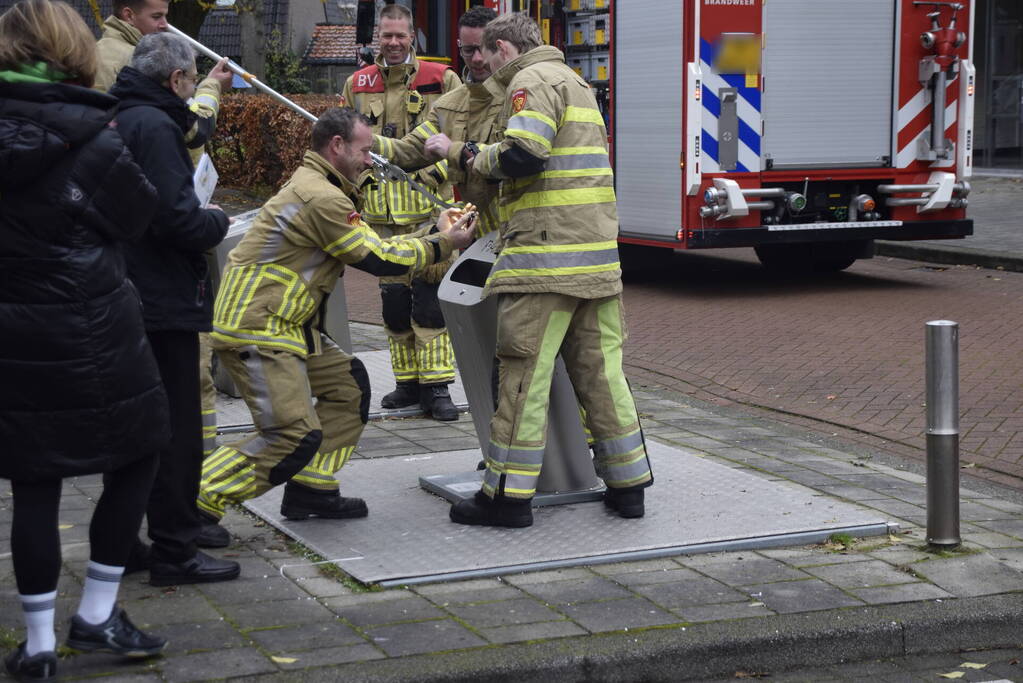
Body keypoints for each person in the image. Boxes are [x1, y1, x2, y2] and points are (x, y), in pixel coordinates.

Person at [195, 107, 476, 534]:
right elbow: (376, 257)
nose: (370, 160)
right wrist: (444, 243)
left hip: (287, 322)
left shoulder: (324, 185)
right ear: (337, 146)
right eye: (364, 150)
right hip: (259, 325)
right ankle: (197, 503)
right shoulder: (320, 196)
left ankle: (313, 487)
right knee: (290, 434)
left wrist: (436, 233)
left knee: (348, 389)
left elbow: (369, 242)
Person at [0, 1, 171, 677]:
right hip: (96, 333)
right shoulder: (95, 137)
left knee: (34, 483)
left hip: (12, 338)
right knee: (139, 453)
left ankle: (38, 645)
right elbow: (136, 216)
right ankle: (97, 615)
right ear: (74, 52)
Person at [450, 12, 654, 529]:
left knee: (523, 375)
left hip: (544, 261)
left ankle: (506, 497)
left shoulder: (530, 81)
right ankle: (628, 486)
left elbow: (524, 154)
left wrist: (473, 157)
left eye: (484, 54)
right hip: (596, 259)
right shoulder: (577, 83)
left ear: (502, 48)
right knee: (602, 374)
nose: (481, 65)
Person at [109, 32, 237, 586]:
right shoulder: (157, 126)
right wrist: (217, 219)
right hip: (163, 297)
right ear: (176, 79)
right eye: (189, 82)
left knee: (133, 425)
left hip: (122, 290)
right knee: (177, 427)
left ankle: (120, 543)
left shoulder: (117, 113)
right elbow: (177, 220)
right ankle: (176, 549)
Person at [340, 3, 463, 421]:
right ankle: (406, 384)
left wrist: (432, 174)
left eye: (400, 35)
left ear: (413, 36)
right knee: (394, 307)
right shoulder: (357, 84)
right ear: (378, 36)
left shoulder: (441, 79)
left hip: (430, 217)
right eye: (386, 35)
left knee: (430, 305)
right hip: (381, 221)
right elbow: (345, 147)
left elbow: (458, 135)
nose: (393, 43)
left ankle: (438, 387)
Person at [375, 6, 502, 238]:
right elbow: (407, 150)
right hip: (482, 237)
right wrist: (364, 141)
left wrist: (454, 150)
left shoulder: (521, 94)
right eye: (468, 50)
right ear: (459, 46)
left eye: (484, 48)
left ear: (499, 45)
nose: (477, 59)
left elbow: (516, 158)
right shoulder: (449, 105)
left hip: (523, 234)